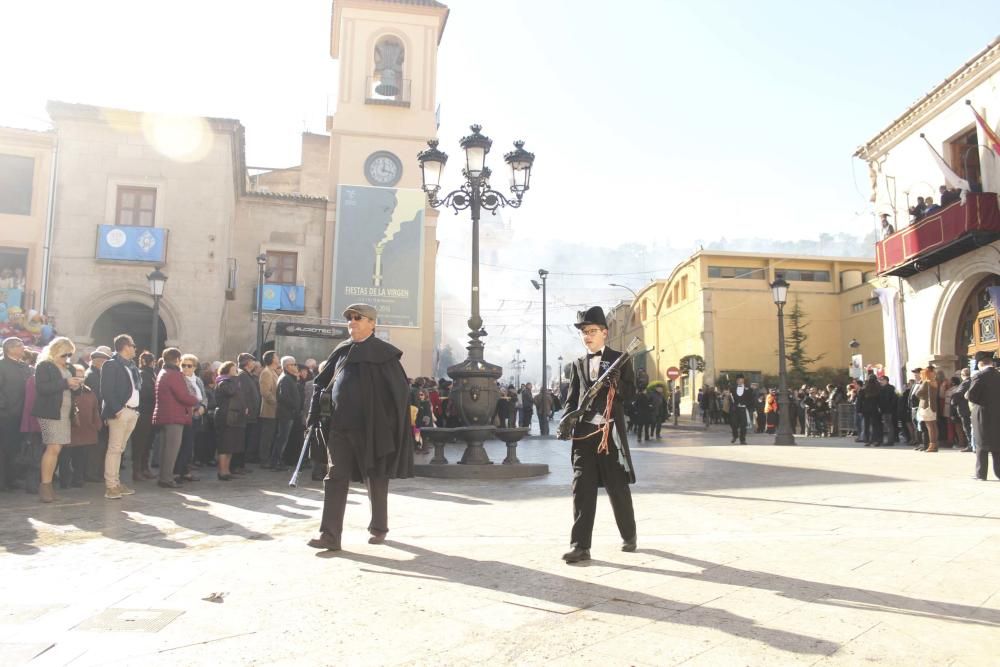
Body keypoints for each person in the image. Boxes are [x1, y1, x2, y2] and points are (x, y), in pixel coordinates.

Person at [307, 303, 413, 551]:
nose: (352, 322)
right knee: (334, 477)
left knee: (375, 477)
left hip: (373, 428)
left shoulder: (385, 355)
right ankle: (330, 536)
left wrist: (389, 425)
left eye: (358, 318)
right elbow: (321, 384)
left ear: (372, 324)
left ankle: (379, 527)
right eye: (349, 319)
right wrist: (314, 415)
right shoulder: (342, 351)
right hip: (339, 427)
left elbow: (399, 394)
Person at [561, 306, 637, 564]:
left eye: (592, 331)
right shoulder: (577, 365)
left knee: (618, 489)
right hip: (584, 436)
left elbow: (631, 395)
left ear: (605, 332)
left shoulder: (621, 359)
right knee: (581, 490)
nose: (588, 336)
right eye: (584, 332)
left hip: (609, 435)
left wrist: (618, 382)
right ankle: (580, 546)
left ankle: (629, 535)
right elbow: (571, 400)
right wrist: (567, 418)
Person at [32, 337, 85, 502]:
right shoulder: (44, 365)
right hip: (50, 412)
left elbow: (71, 391)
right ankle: (45, 486)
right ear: (56, 350)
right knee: (53, 448)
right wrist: (65, 382)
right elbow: (42, 388)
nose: (67, 358)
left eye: (70, 355)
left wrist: (76, 387)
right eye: (64, 354)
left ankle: (48, 486)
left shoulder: (68, 367)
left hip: (64, 413)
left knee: (57, 449)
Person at [153, 348, 199, 488]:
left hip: (165, 414)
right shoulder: (174, 374)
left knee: (166, 449)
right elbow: (182, 395)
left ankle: (164, 477)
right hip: (174, 416)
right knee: (171, 450)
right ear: (178, 360)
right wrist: (195, 400)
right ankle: (166, 479)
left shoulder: (163, 372)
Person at [0, 337, 31, 490]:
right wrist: (4, 407)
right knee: (4, 448)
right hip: (6, 415)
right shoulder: (1, 365)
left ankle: (13, 478)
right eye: (20, 345)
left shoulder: (24, 366)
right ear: (9, 349)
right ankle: (3, 480)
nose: (23, 348)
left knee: (17, 448)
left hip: (23, 414)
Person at [966, 351, 1000, 480]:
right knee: (997, 444)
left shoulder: (979, 376)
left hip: (983, 414)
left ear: (980, 363)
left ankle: (981, 473)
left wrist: (967, 395)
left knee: (981, 444)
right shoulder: (998, 375)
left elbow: (972, 396)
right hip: (998, 414)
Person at [213, 361, 247, 480]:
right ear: (227, 370)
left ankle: (227, 471)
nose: (236, 371)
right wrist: (235, 378)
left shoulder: (233, 381)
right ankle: (222, 471)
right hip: (225, 417)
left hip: (234, 417)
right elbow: (230, 392)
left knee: (231, 446)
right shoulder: (223, 382)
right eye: (233, 369)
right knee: (224, 445)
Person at [131, 352, 157, 481]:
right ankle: (137, 471)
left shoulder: (152, 374)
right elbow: (145, 393)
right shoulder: (142, 374)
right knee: (140, 443)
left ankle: (144, 468)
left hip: (150, 412)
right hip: (143, 412)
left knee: (147, 443)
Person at [272, 355, 301, 471]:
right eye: (294, 364)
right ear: (287, 366)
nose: (296, 366)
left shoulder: (289, 378)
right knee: (282, 438)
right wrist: (294, 406)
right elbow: (283, 397)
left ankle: (278, 460)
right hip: (286, 413)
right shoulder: (285, 378)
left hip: (289, 413)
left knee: (284, 438)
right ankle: (276, 461)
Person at [235, 352, 260, 473]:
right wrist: (246, 408)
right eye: (251, 360)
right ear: (247, 362)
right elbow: (243, 394)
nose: (253, 363)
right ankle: (238, 465)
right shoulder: (242, 375)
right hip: (246, 414)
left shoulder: (247, 375)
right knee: (241, 440)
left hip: (251, 414)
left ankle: (241, 464)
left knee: (246, 440)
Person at [258, 350, 280, 469]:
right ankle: (264, 459)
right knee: (267, 436)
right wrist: (277, 403)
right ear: (271, 359)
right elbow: (265, 392)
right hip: (269, 411)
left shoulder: (273, 372)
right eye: (276, 356)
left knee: (271, 436)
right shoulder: (266, 372)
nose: (278, 358)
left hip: (274, 411)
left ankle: (269, 458)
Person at [915, 366, 939, 452]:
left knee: (929, 427)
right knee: (934, 426)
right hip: (933, 406)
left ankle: (932, 445)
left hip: (926, 406)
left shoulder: (926, 382)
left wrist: (920, 384)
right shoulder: (934, 382)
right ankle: (935, 444)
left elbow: (917, 393)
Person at [730, 374, 754, 444]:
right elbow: (731, 399)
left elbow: (751, 399)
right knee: (734, 424)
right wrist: (729, 397)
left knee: (743, 425)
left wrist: (746, 404)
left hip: (743, 409)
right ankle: (735, 436)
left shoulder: (748, 389)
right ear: (737, 381)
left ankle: (742, 439)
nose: (740, 381)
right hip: (735, 409)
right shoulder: (732, 389)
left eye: (741, 380)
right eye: (739, 380)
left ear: (743, 380)